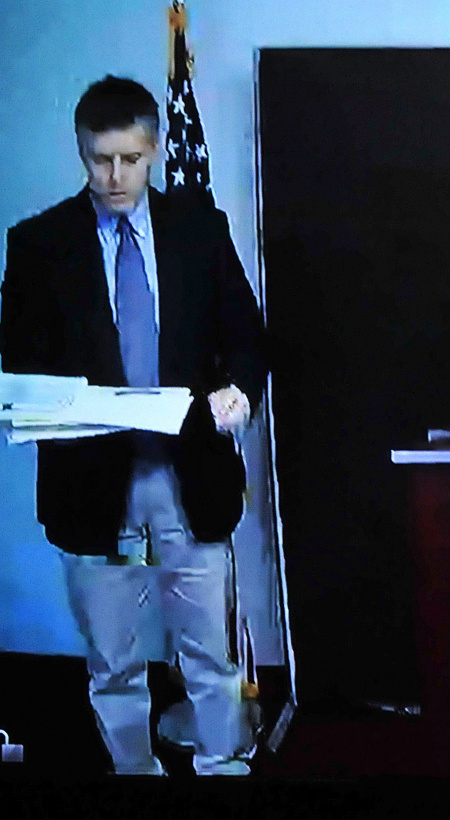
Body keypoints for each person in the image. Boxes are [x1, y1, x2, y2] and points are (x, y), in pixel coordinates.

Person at [0, 77, 266, 775]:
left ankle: (223, 766)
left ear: (153, 151)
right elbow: (20, 360)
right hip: (92, 486)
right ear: (82, 152)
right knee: (114, 658)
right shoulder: (38, 243)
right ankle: (134, 770)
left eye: (129, 160)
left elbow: (246, 335)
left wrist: (239, 387)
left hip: (187, 478)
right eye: (99, 160)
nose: (114, 177)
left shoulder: (199, 229)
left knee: (209, 650)